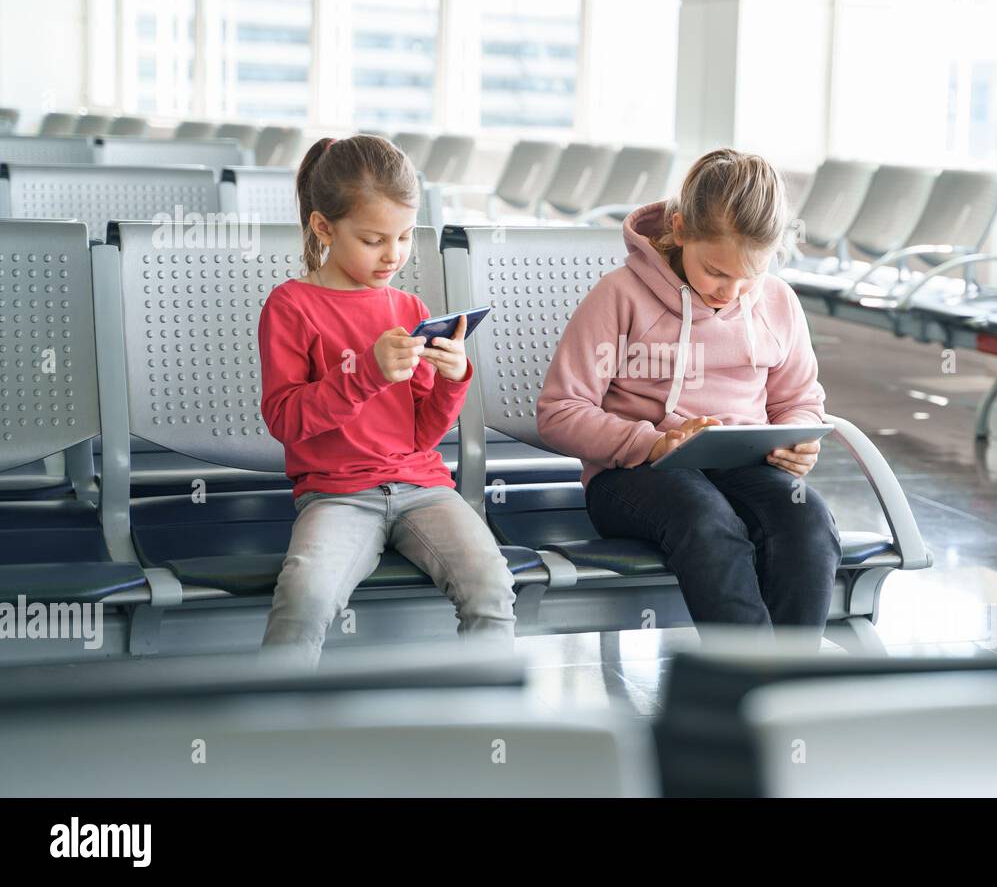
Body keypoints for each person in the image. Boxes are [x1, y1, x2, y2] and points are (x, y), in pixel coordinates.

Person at [537, 147, 839, 635]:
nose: (731, 292)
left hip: (744, 468)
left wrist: (795, 440)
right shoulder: (619, 295)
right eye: (717, 272)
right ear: (679, 231)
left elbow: (798, 400)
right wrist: (652, 442)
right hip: (634, 473)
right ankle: (749, 682)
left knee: (808, 521)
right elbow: (560, 411)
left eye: (750, 275)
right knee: (705, 519)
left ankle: (786, 685)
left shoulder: (779, 302)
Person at [256, 134, 515, 667]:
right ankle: (274, 724)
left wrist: (453, 378)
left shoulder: (408, 305)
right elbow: (285, 420)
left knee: (491, 584)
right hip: (337, 494)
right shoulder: (292, 305)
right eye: (374, 239)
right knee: (305, 595)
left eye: (402, 236)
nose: (393, 254)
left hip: (423, 488)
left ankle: (493, 716)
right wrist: (365, 374)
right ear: (324, 227)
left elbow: (421, 435)